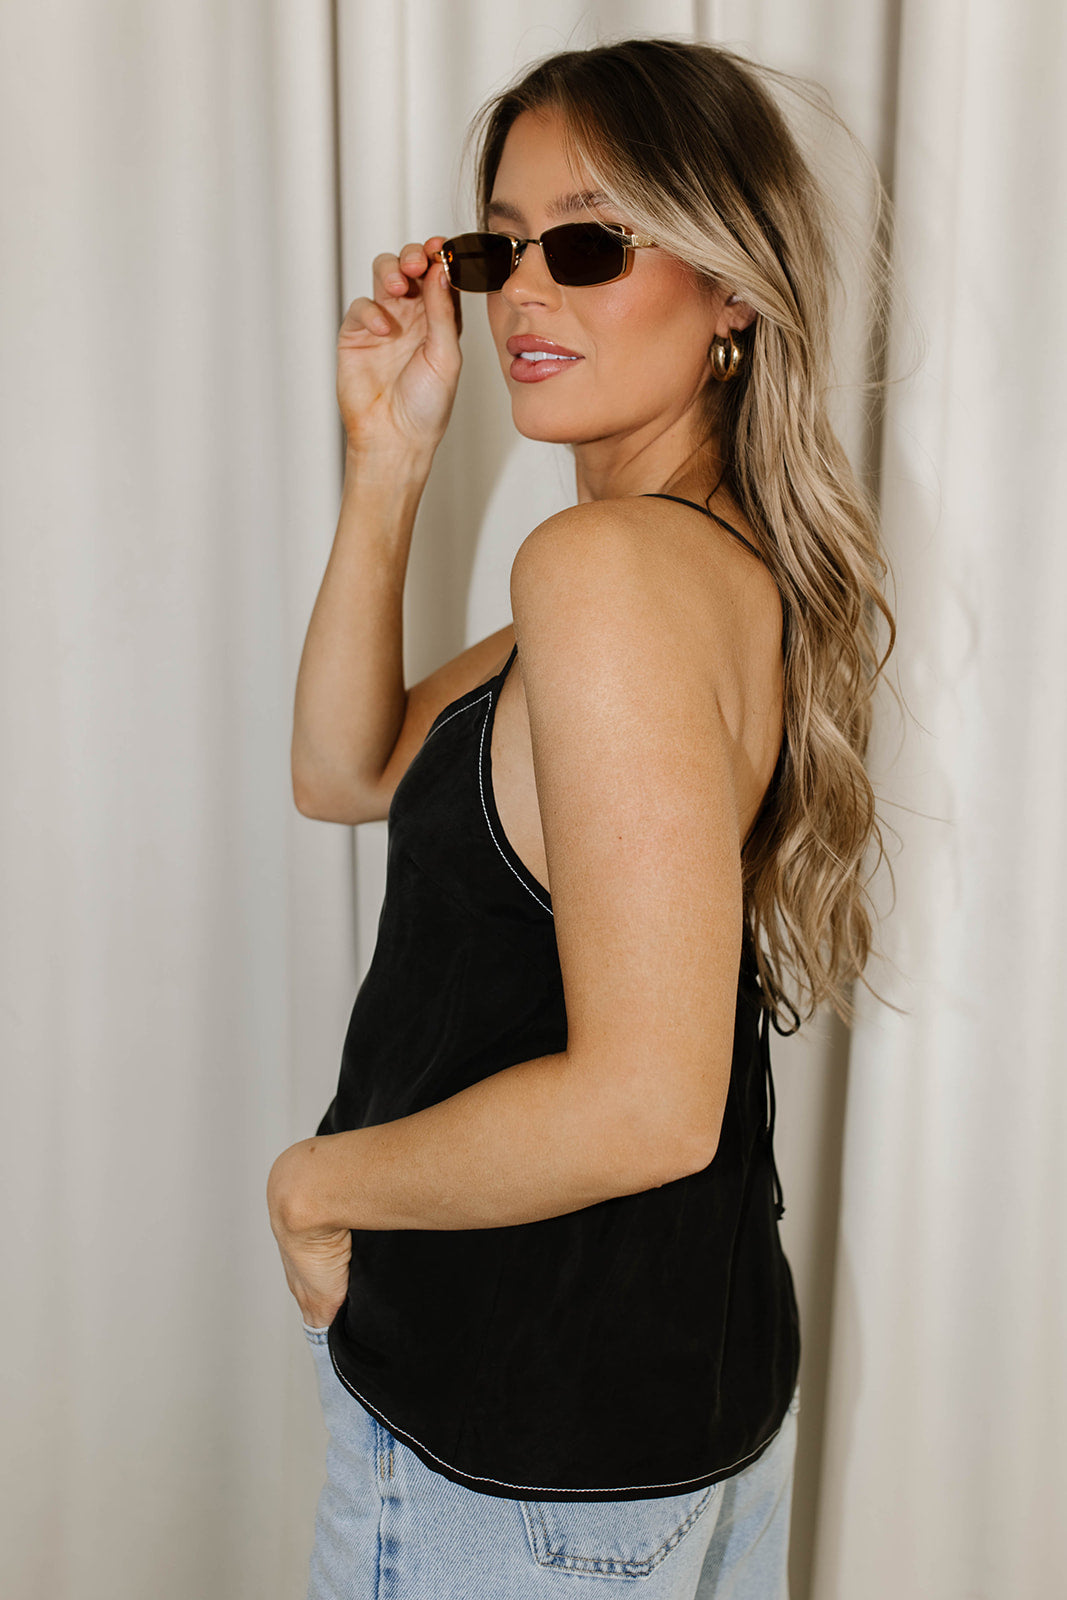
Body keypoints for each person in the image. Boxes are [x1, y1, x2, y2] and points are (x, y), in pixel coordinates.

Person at [267, 36, 896, 1600]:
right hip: (671, 1409)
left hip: (519, 1453)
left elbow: (649, 1108)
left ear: (732, 287)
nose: (526, 295)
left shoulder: (609, 573)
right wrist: (389, 459)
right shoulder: (692, 557)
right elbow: (345, 768)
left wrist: (314, 1187)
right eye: (501, 248)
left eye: (591, 243)